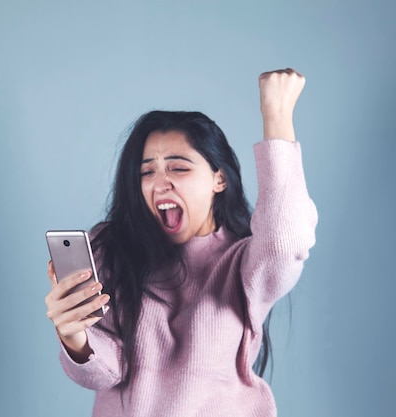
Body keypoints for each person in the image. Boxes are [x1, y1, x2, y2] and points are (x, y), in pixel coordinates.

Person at [45, 68, 317, 417]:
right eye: (147, 171)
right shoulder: (114, 251)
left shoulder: (243, 263)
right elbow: (108, 372)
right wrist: (74, 336)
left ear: (219, 178)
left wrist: (276, 114)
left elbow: (285, 241)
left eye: (178, 168)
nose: (160, 184)